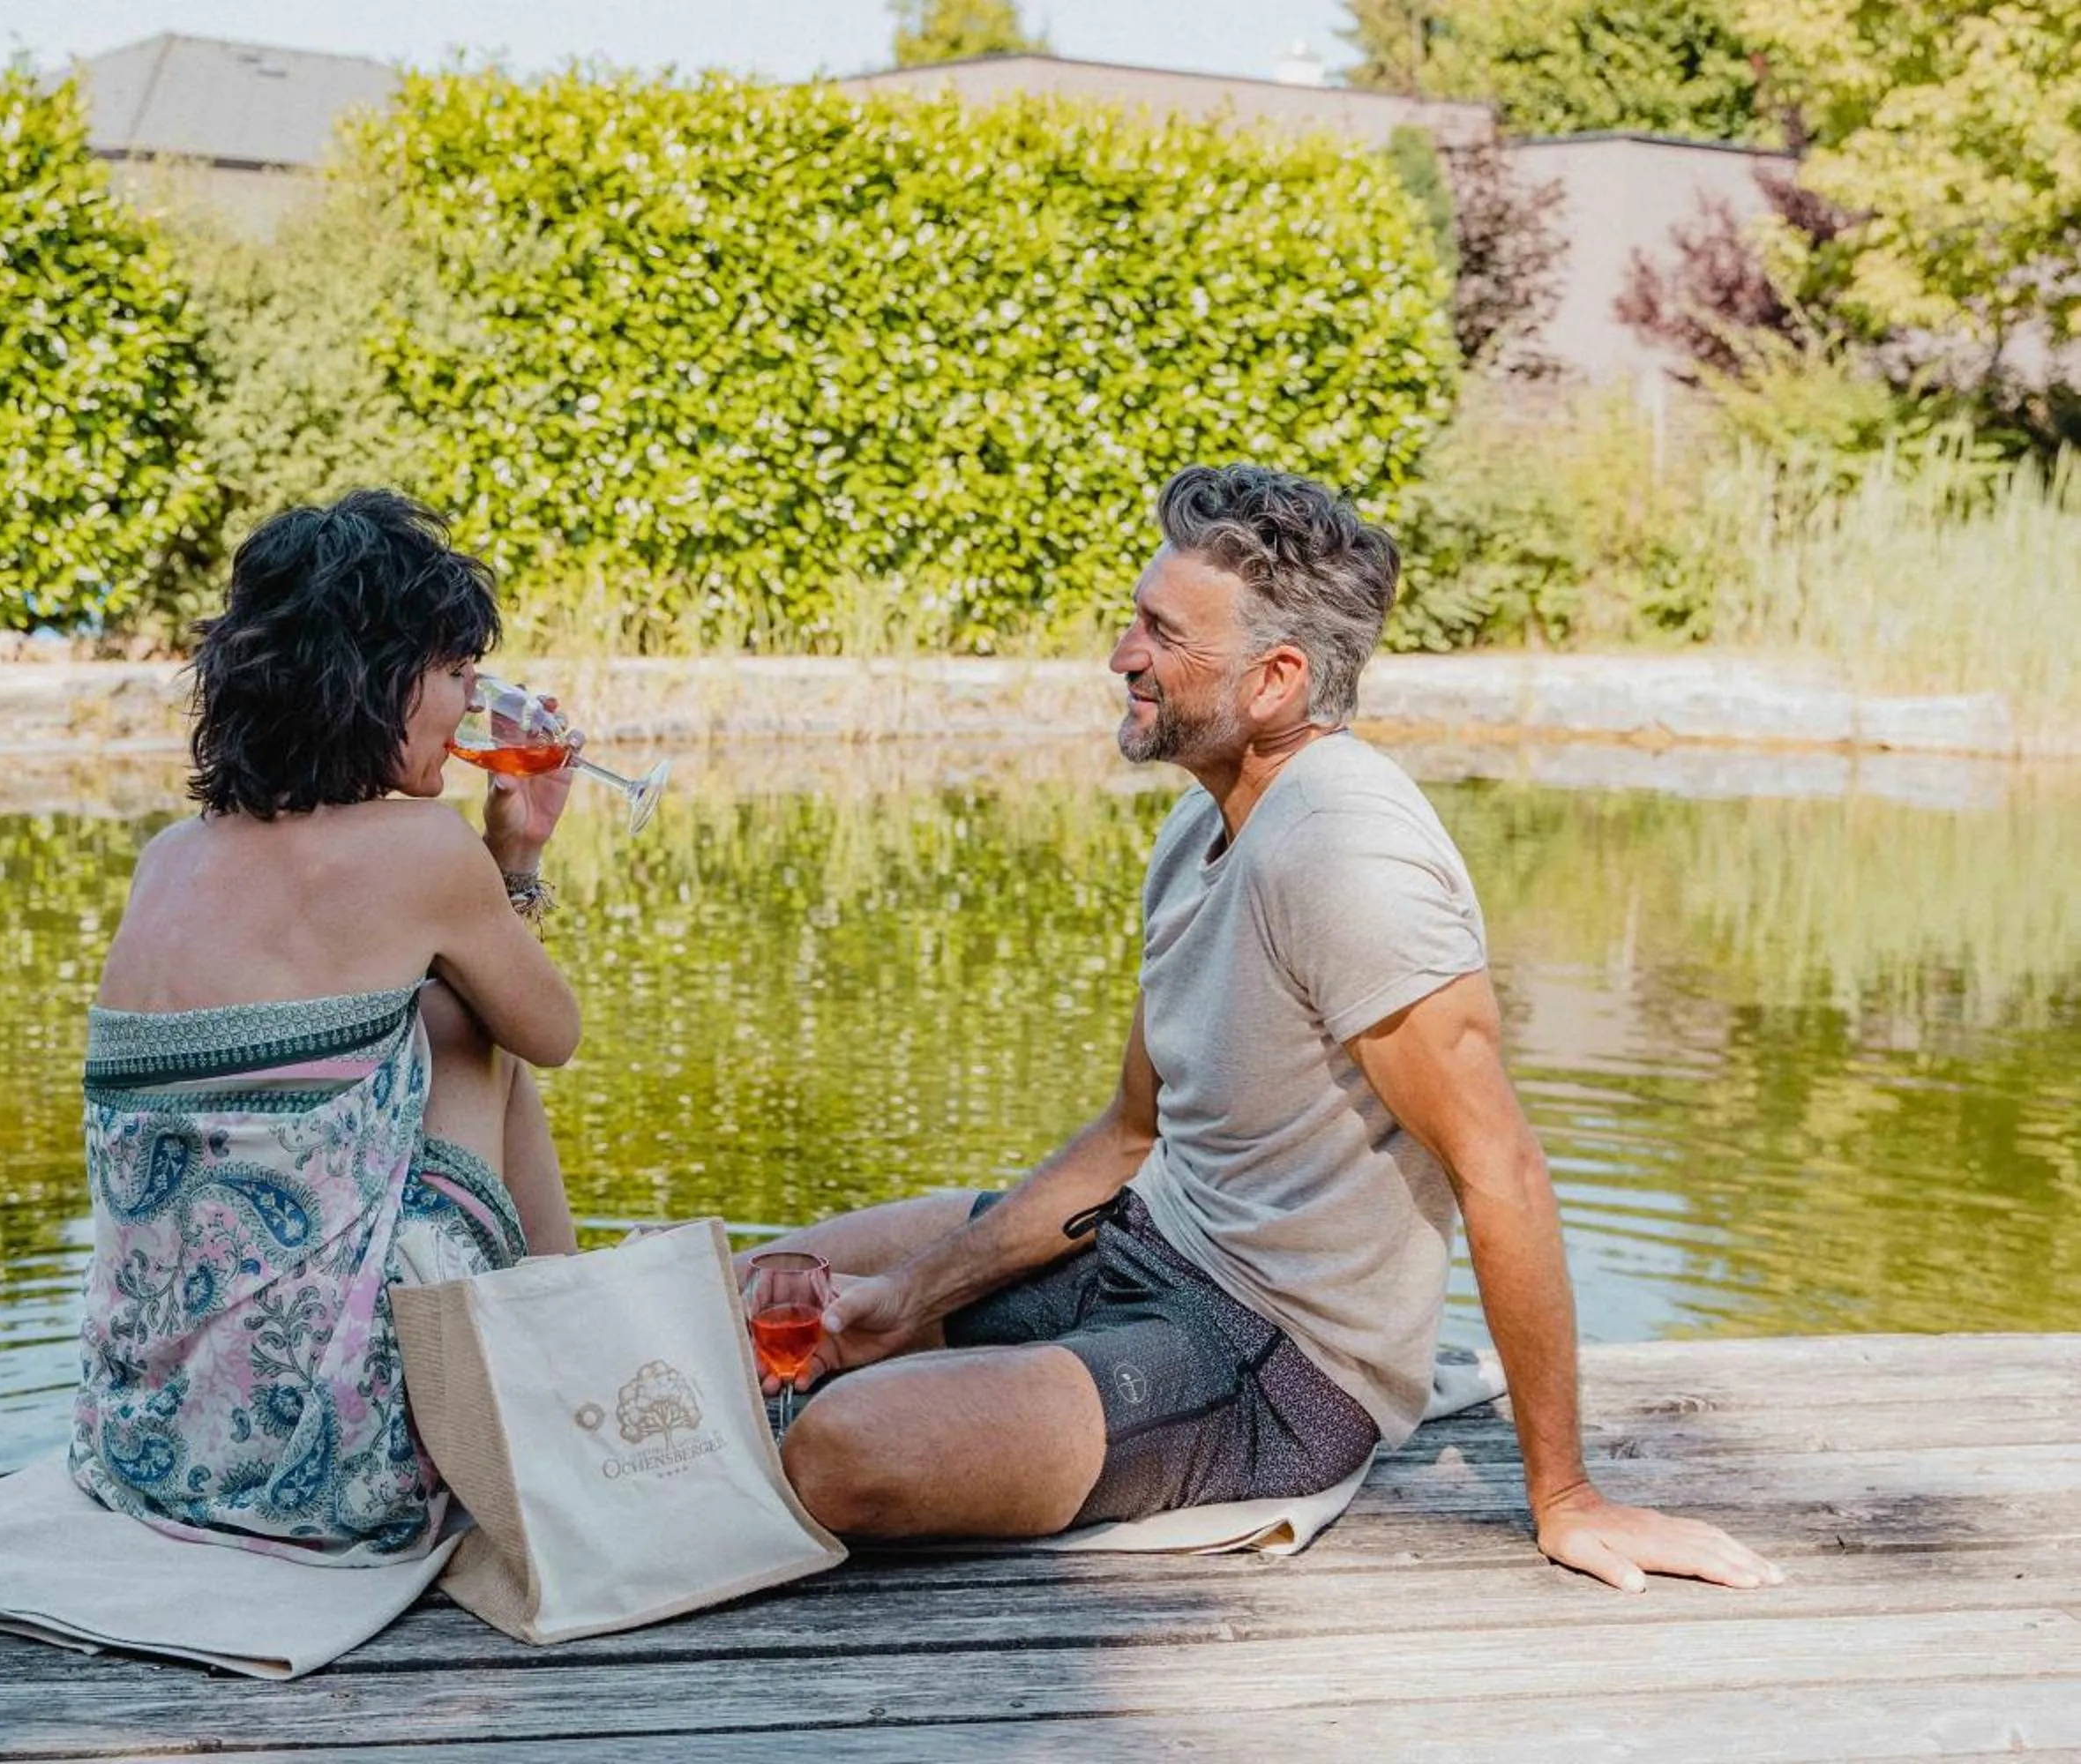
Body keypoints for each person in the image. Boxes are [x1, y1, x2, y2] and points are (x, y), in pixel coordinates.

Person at [762, 464, 1783, 1595]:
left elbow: (1501, 1167)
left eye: (1162, 632)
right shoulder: (1198, 831)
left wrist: (1569, 1494)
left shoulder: (1353, 858)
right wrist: (913, 1295)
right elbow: (1129, 1135)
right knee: (760, 1289)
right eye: (1136, 619)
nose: (1123, 655)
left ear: (1275, 680)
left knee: (844, 1448)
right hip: (1142, 1242)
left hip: (1276, 1358)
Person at [69, 490, 580, 1559]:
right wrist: (518, 856)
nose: (473, 696)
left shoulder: (167, 857)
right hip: (338, 1460)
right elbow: (551, 1029)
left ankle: (551, 1350)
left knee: (428, 1015)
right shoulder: (423, 850)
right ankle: (562, 1377)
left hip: (144, 1447)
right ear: (376, 676)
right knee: (467, 1023)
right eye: (455, 668)